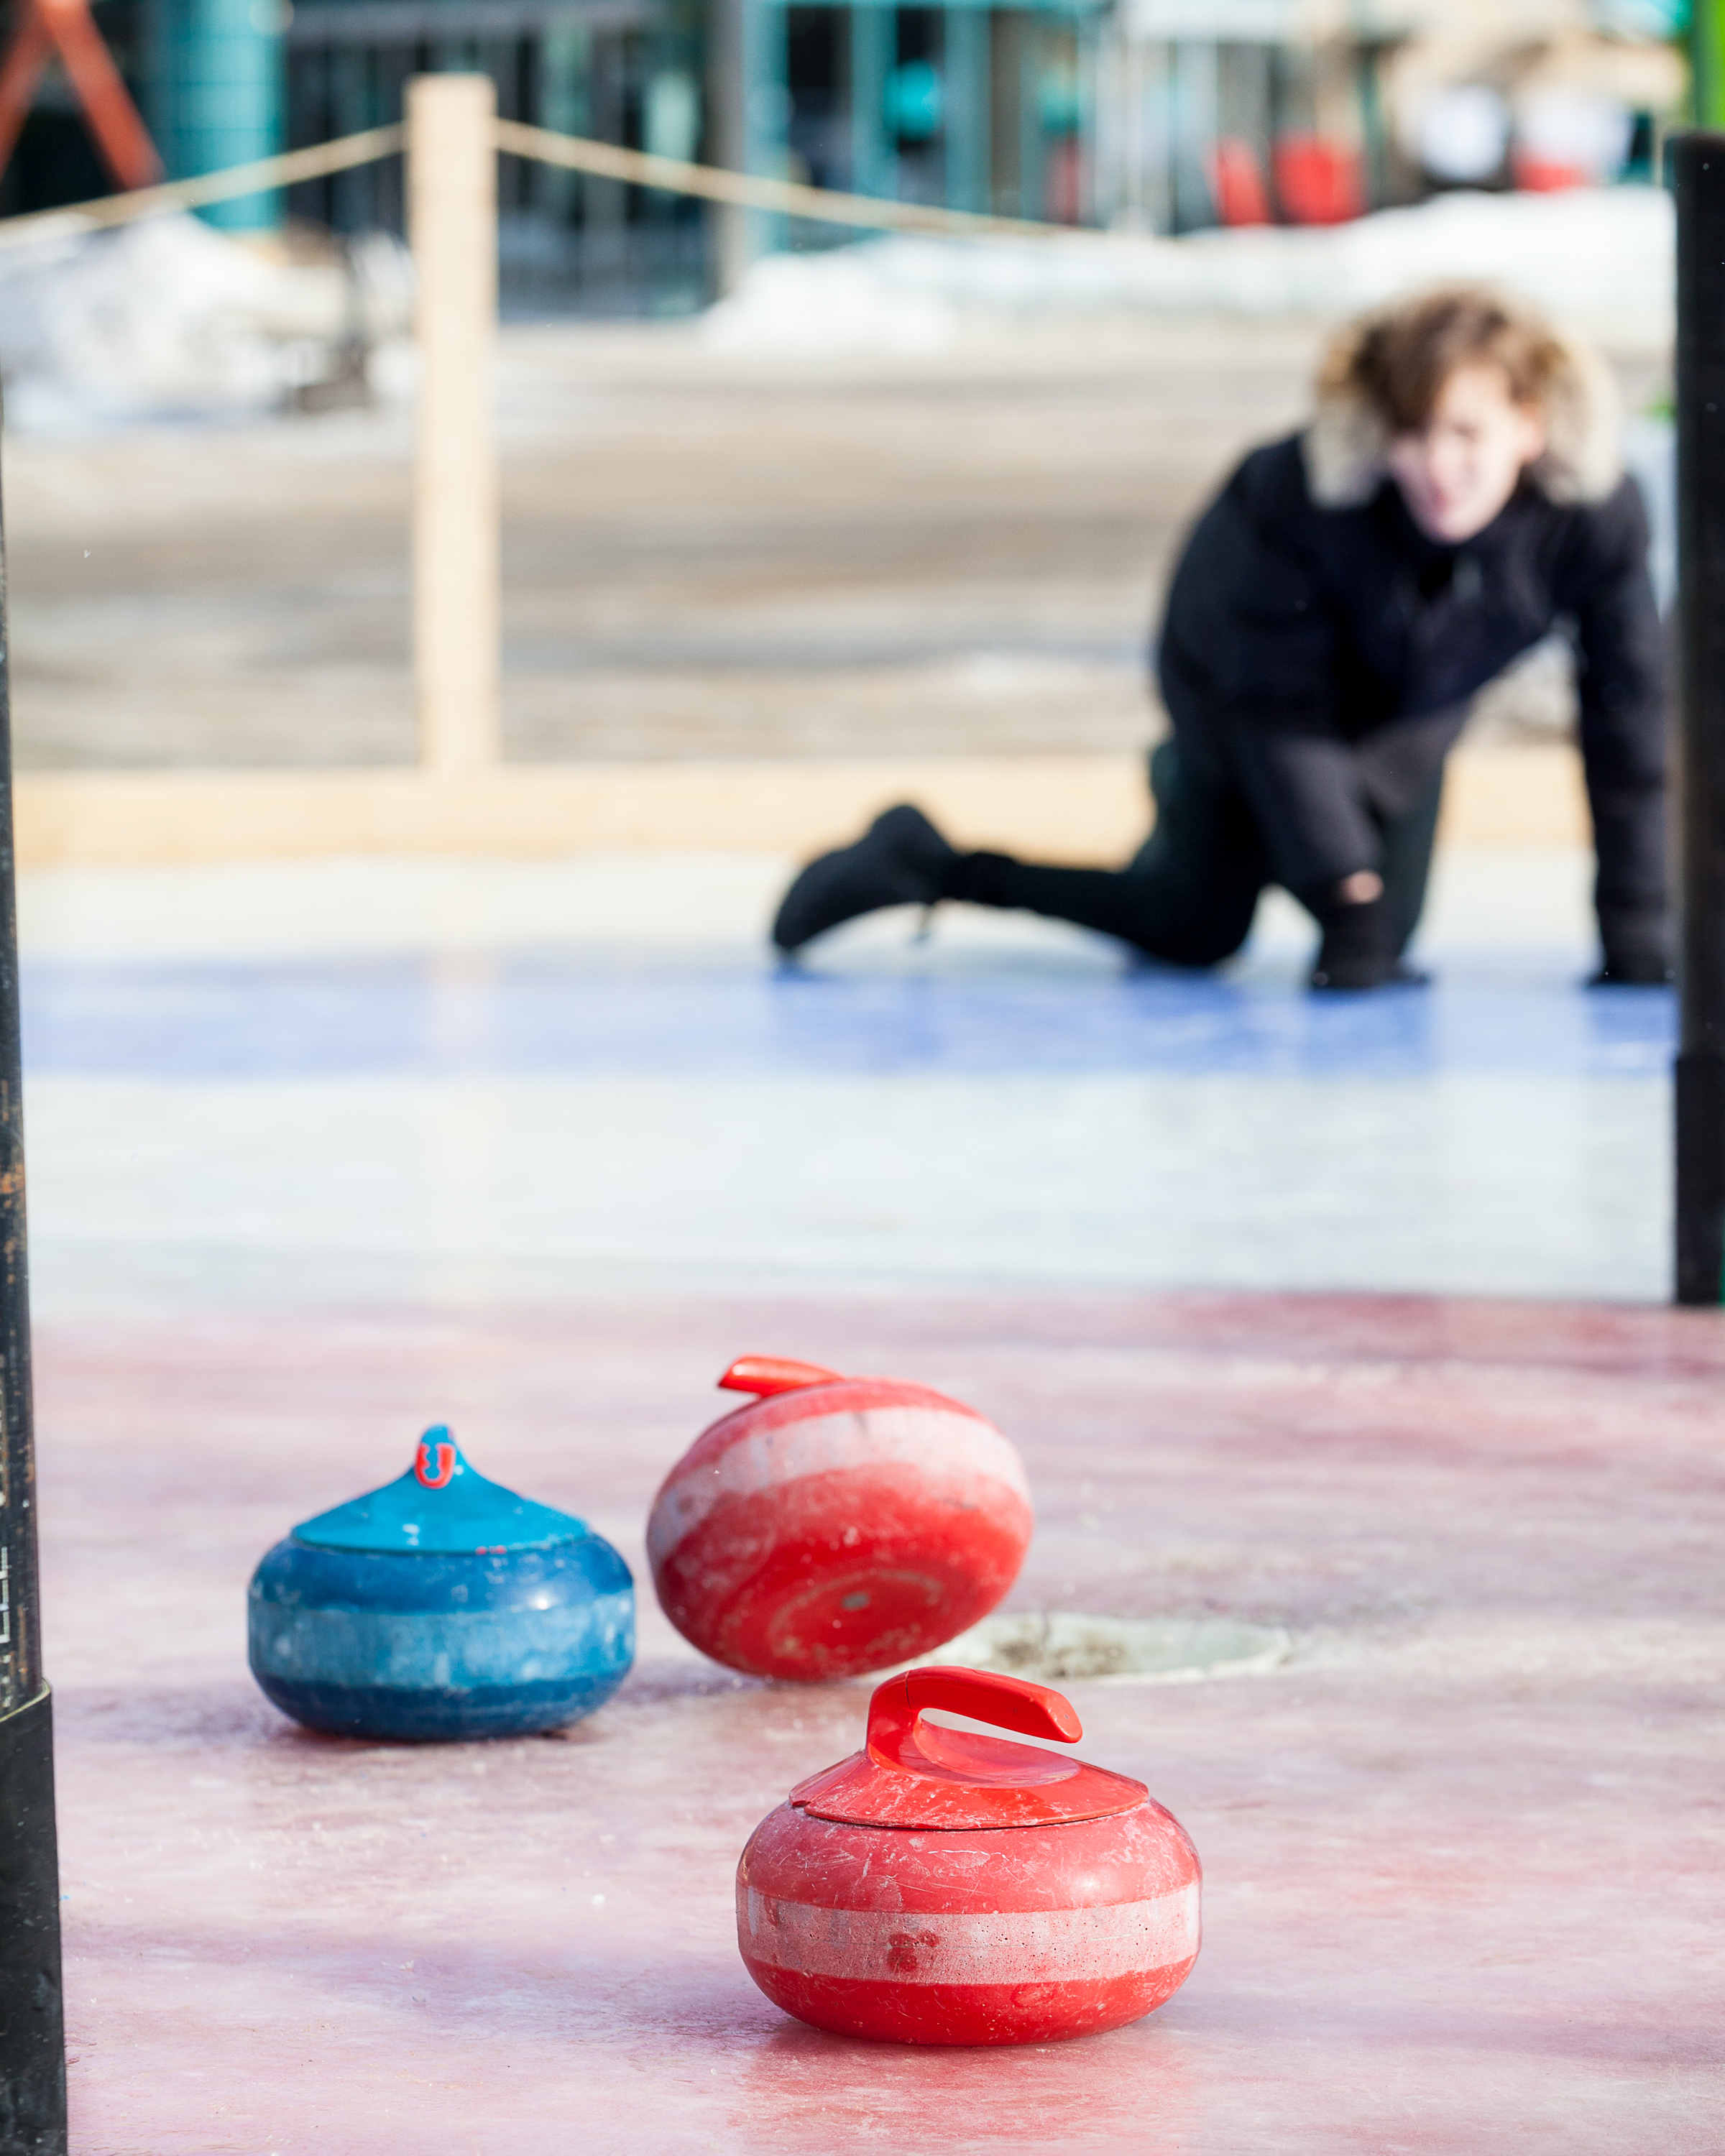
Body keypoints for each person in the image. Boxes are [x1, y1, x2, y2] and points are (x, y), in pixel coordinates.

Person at [770, 285, 1670, 990]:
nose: (1439, 466)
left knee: (1380, 938)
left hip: (1401, 732)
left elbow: (1629, 722)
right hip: (1238, 723)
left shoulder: (1592, 519)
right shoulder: (1294, 498)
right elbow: (1276, 704)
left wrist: (1640, 927)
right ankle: (930, 861)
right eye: (1412, 432)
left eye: (1467, 432)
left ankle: (1331, 867)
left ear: (1529, 424)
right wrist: (1340, 885)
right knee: (1198, 928)